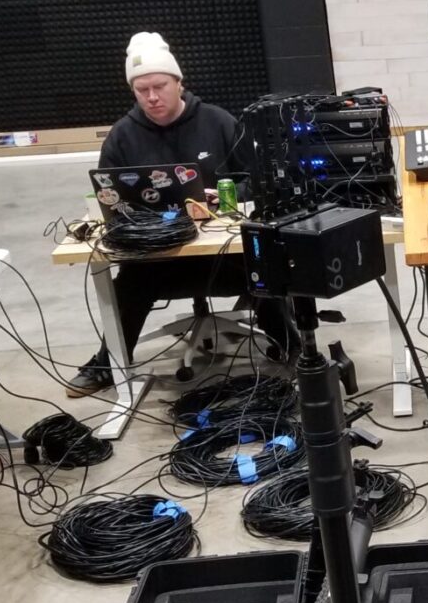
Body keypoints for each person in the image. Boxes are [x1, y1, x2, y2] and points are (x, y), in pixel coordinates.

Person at [68, 31, 289, 396]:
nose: (152, 97)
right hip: (159, 260)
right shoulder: (122, 137)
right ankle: (108, 363)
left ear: (179, 82)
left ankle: (289, 344)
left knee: (265, 261)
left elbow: (258, 183)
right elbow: (109, 198)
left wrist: (222, 197)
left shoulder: (218, 122)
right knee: (128, 285)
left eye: (159, 86)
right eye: (142, 90)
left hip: (225, 256)